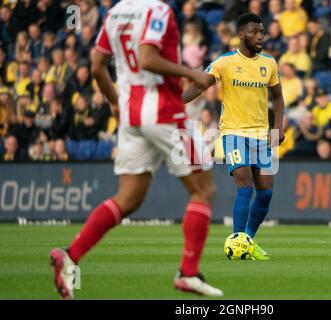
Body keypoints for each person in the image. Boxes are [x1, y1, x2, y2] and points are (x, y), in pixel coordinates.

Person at [49, 0, 223, 299]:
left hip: (132, 115)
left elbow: (96, 65)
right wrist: (191, 74)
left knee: (128, 198)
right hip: (164, 112)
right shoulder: (159, 11)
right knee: (203, 190)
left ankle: (71, 254)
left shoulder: (115, 13)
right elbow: (147, 58)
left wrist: (115, 102)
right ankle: (188, 272)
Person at [183, 13, 285, 260]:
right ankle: (238, 243)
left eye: (261, 31)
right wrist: (176, 104)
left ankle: (247, 240)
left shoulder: (269, 63)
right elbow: (200, 85)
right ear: (241, 35)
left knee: (266, 192)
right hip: (233, 133)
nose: (260, 36)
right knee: (245, 183)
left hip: (262, 134)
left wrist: (278, 126)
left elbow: (278, 98)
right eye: (254, 32)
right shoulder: (224, 62)